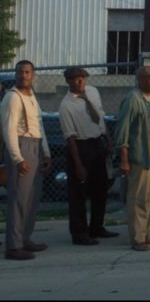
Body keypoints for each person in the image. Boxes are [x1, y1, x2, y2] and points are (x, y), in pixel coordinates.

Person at [58, 66, 118, 246]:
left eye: (83, 78)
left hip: (97, 142)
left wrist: (107, 139)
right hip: (81, 146)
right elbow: (70, 138)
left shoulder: (92, 92)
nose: (81, 82)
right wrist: (78, 165)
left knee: (100, 188)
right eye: (76, 79)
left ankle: (97, 226)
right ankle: (79, 233)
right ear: (68, 81)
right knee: (78, 193)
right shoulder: (66, 105)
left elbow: (100, 116)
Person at [2, 60, 52, 260]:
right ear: (15, 74)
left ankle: (25, 238)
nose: (23, 75)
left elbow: (39, 125)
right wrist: (17, 158)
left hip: (36, 146)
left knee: (31, 198)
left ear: (33, 75)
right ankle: (13, 246)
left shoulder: (32, 96)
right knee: (18, 199)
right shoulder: (12, 97)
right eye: (20, 72)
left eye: (27, 72)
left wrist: (46, 152)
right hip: (21, 147)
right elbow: (8, 130)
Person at [115, 65, 150, 252]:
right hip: (139, 151)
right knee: (138, 196)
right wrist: (124, 159)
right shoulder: (133, 99)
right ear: (142, 80)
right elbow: (123, 130)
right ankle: (137, 237)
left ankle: (148, 233)